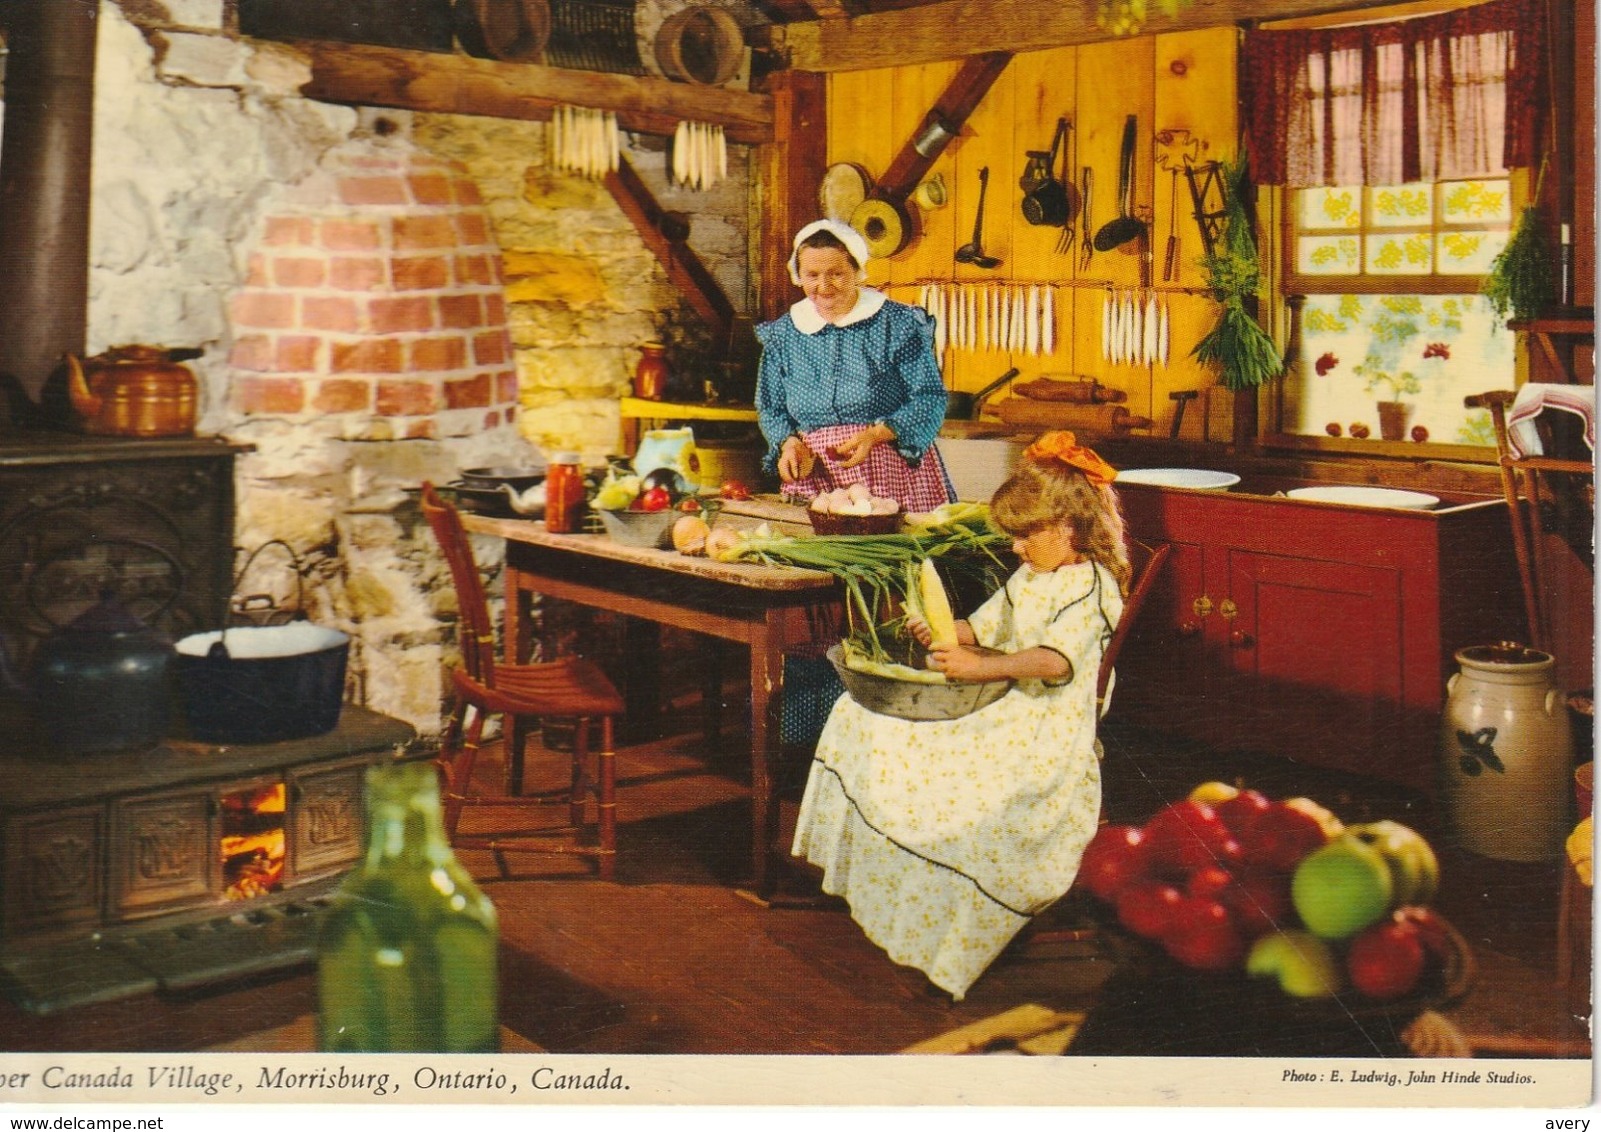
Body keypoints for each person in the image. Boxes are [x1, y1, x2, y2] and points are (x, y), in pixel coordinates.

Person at [790, 431, 1131, 1001]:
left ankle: (944, 917)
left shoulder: (1091, 590)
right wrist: (946, 629)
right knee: (861, 716)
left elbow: (1054, 661)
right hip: (1003, 699)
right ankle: (891, 890)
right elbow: (987, 624)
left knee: (931, 758)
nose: (1017, 549)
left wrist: (979, 668)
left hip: (1042, 722)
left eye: (1026, 536)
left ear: (1068, 529)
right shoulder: (1033, 574)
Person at [755, 219, 954, 511]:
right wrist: (788, 443)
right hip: (816, 476)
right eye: (812, 275)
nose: (823, 286)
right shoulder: (785, 334)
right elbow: (770, 405)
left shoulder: (896, 324)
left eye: (836, 274)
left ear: (856, 271)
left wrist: (876, 434)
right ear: (798, 275)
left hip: (889, 471)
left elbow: (930, 398)